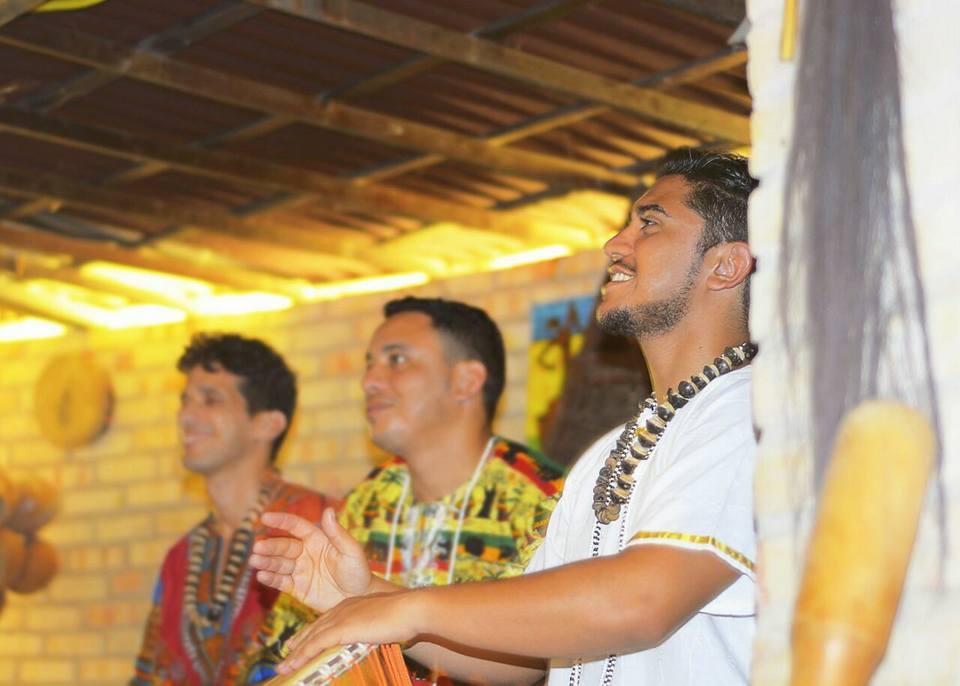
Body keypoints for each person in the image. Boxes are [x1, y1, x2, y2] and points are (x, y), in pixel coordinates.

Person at [252, 149, 758, 686]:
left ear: (726, 265)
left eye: (649, 224)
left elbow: (643, 601)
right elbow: (519, 660)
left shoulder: (750, 413)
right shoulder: (609, 453)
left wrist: (407, 609)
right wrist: (366, 597)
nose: (615, 244)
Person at [256, 297, 564, 683]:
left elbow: (541, 657)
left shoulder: (546, 502)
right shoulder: (368, 500)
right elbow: (278, 657)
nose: (369, 381)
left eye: (397, 360)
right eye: (369, 364)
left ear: (466, 381)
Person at [131, 334, 334, 686]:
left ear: (267, 424)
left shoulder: (321, 526)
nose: (185, 417)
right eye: (185, 400)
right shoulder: (181, 557)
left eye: (211, 400)